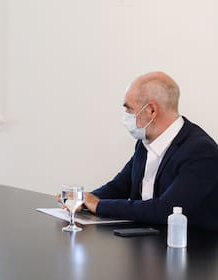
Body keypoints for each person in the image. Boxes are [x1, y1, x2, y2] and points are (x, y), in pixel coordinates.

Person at [83, 71, 218, 230]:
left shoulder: (201, 151)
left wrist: (98, 205)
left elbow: (165, 210)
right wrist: (83, 201)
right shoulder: (145, 142)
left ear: (152, 110)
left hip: (190, 250)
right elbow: (120, 186)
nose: (126, 115)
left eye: (129, 109)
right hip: (147, 242)